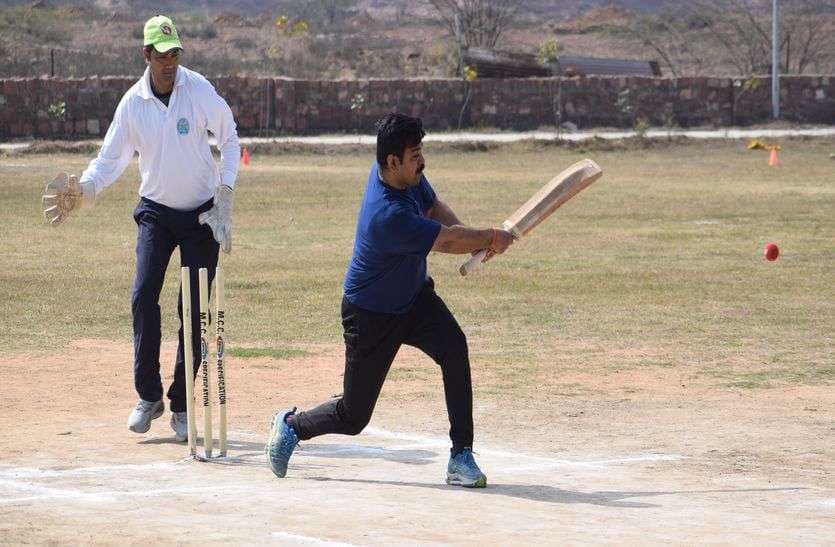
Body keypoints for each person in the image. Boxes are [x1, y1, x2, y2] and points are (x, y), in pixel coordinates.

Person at [265, 113, 514, 488]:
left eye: (421, 153)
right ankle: (291, 426)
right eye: (415, 156)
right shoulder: (388, 215)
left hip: (413, 299)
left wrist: (477, 240)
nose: (422, 161)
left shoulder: (406, 175)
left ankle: (460, 455)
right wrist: (489, 236)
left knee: (454, 347)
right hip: (370, 315)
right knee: (354, 417)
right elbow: (444, 241)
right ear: (392, 161)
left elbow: (435, 210)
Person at [41, 15, 240, 442]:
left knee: (193, 311)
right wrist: (83, 190)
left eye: (175, 54)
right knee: (142, 295)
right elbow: (109, 161)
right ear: (146, 55)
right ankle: (149, 396)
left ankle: (183, 405)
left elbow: (230, 138)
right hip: (155, 211)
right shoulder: (133, 103)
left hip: (203, 215)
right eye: (161, 55)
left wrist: (225, 193)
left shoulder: (198, 89)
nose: (169, 63)